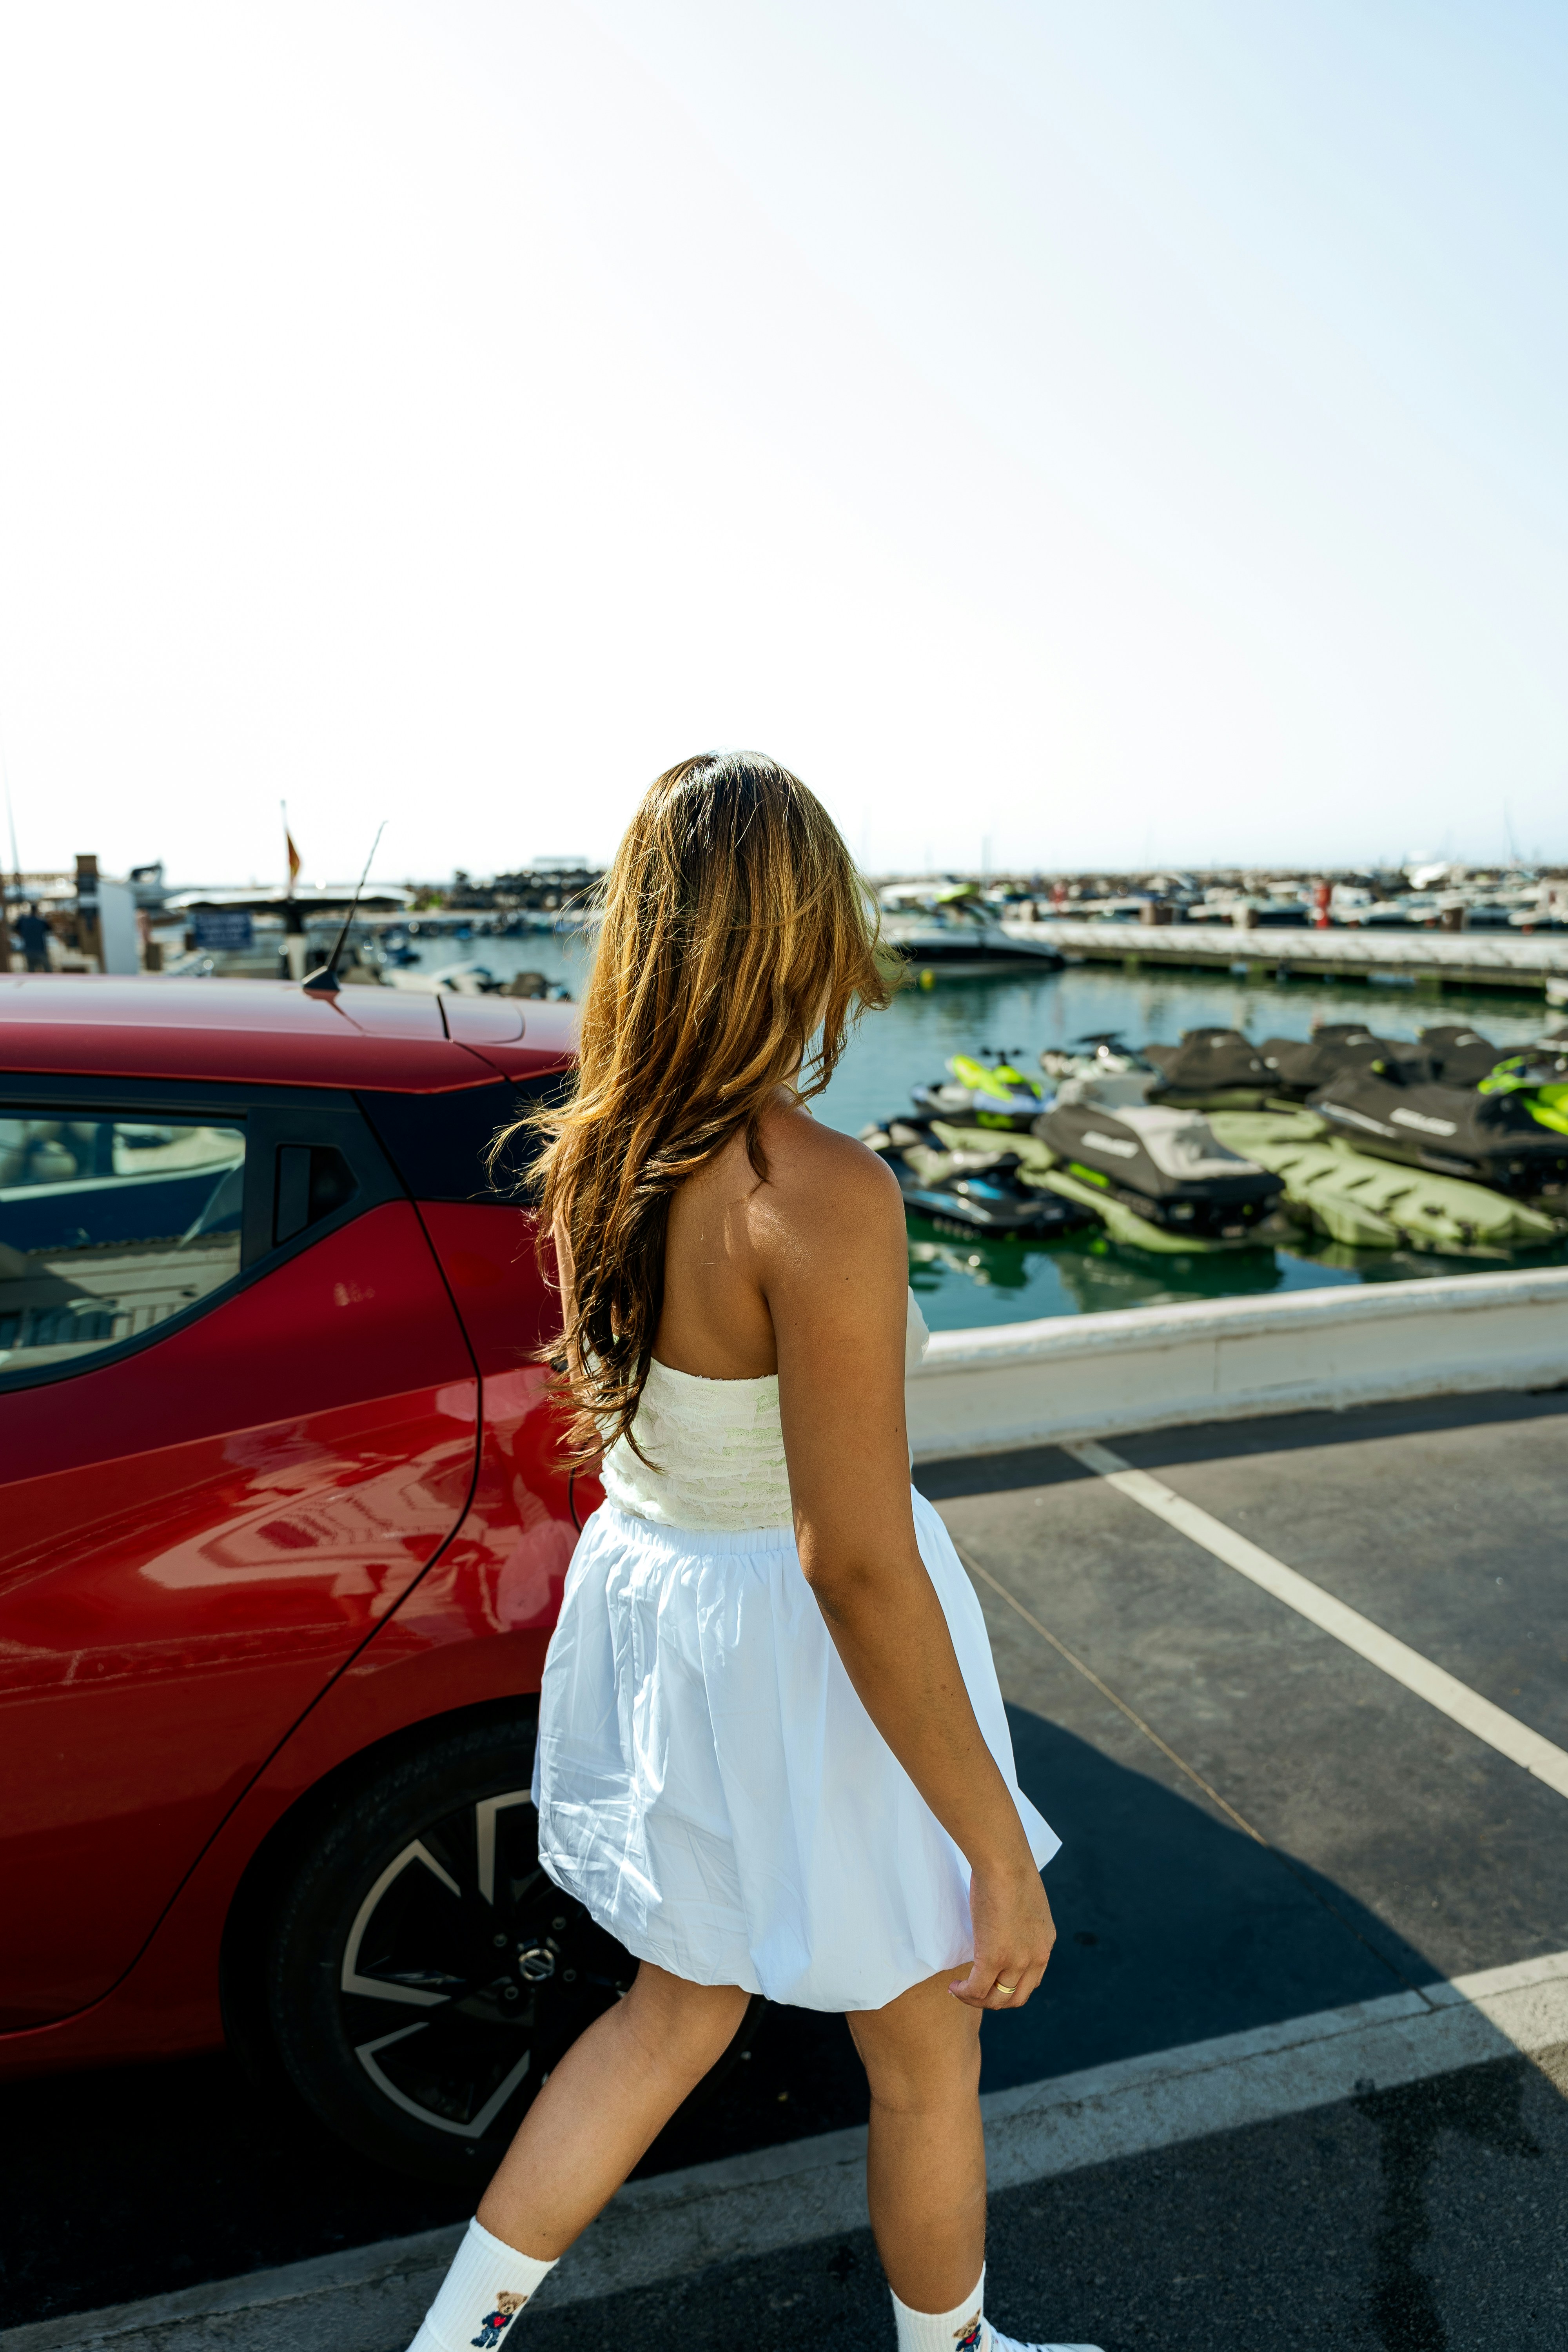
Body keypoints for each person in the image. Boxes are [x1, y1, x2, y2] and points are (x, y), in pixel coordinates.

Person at [406, 754, 1098, 2352]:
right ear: (796, 935)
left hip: (660, 1609)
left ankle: (452, 2346)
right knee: (924, 2055)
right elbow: (850, 1560)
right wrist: (994, 1849)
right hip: (799, 1649)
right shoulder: (818, 1192)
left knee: (668, 2016)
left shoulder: (595, 1157)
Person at [14, 903, 52, 973]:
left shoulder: (24, 921)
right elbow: (50, 928)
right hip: (40, 950)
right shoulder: (41, 922)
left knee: (31, 971)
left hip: (29, 949)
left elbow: (15, 929)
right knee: (48, 971)